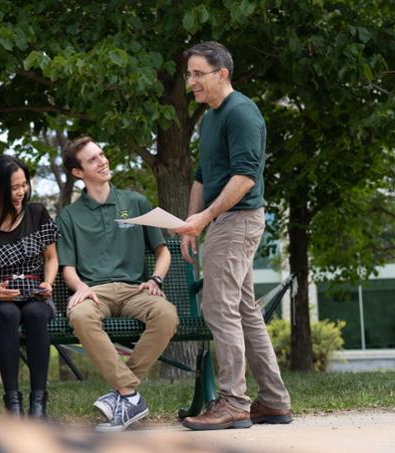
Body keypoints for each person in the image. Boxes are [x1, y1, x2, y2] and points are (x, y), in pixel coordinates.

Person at [174, 41, 292, 431]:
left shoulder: (241, 113)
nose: (190, 81)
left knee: (219, 308)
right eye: (188, 73)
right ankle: (274, 402)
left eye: (197, 74)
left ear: (221, 74)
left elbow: (244, 177)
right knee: (244, 311)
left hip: (237, 219)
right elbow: (203, 176)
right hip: (221, 220)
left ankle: (233, 402)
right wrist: (193, 221)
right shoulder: (211, 117)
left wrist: (205, 218)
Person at [55, 137, 179, 432]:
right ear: (77, 173)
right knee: (80, 316)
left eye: (102, 154)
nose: (103, 161)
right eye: (93, 159)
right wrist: (81, 288)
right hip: (94, 292)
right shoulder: (69, 216)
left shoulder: (135, 202)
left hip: (135, 289)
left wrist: (155, 279)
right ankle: (129, 394)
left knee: (166, 314)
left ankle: (124, 394)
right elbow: (68, 268)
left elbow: (163, 251)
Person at [0, 155, 59, 419]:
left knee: (36, 314)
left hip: (35, 289)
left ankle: (38, 404)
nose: (21, 192)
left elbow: (51, 258)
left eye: (24, 185)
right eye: (14, 188)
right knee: (8, 315)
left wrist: (48, 283)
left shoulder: (37, 213)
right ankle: (13, 403)